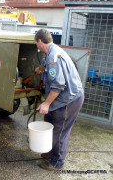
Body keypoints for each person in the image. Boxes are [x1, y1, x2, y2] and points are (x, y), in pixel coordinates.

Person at [34, 29, 84, 171]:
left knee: (60, 131)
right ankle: (50, 151)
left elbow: (58, 85)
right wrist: (40, 68)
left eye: (36, 44)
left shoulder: (53, 58)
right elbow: (46, 62)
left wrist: (46, 103)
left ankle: (57, 163)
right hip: (63, 97)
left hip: (69, 99)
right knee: (49, 122)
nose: (36, 47)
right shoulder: (52, 50)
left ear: (40, 41)